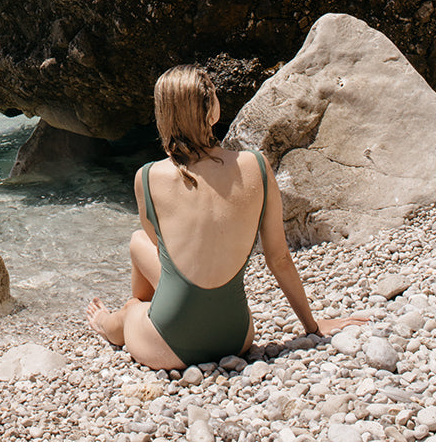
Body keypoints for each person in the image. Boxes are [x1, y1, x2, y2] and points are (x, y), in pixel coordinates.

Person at [85, 65, 366, 370]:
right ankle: (151, 309)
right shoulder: (256, 166)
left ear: (162, 115)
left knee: (130, 307)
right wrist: (311, 327)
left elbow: (165, 252)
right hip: (237, 336)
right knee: (139, 244)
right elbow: (279, 258)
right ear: (213, 111)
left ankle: (106, 322)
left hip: (168, 344)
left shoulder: (147, 177)